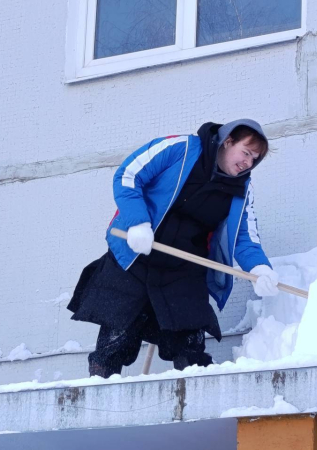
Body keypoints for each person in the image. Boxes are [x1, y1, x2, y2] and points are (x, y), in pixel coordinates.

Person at [67, 119, 280, 378]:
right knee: (115, 339)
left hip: (185, 268)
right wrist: (137, 222)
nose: (248, 163)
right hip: (137, 255)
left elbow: (245, 237)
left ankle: (194, 394)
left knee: (191, 350)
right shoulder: (181, 148)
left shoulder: (242, 190)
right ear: (228, 141)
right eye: (246, 153)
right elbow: (128, 174)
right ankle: (99, 390)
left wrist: (259, 269)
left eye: (254, 159)